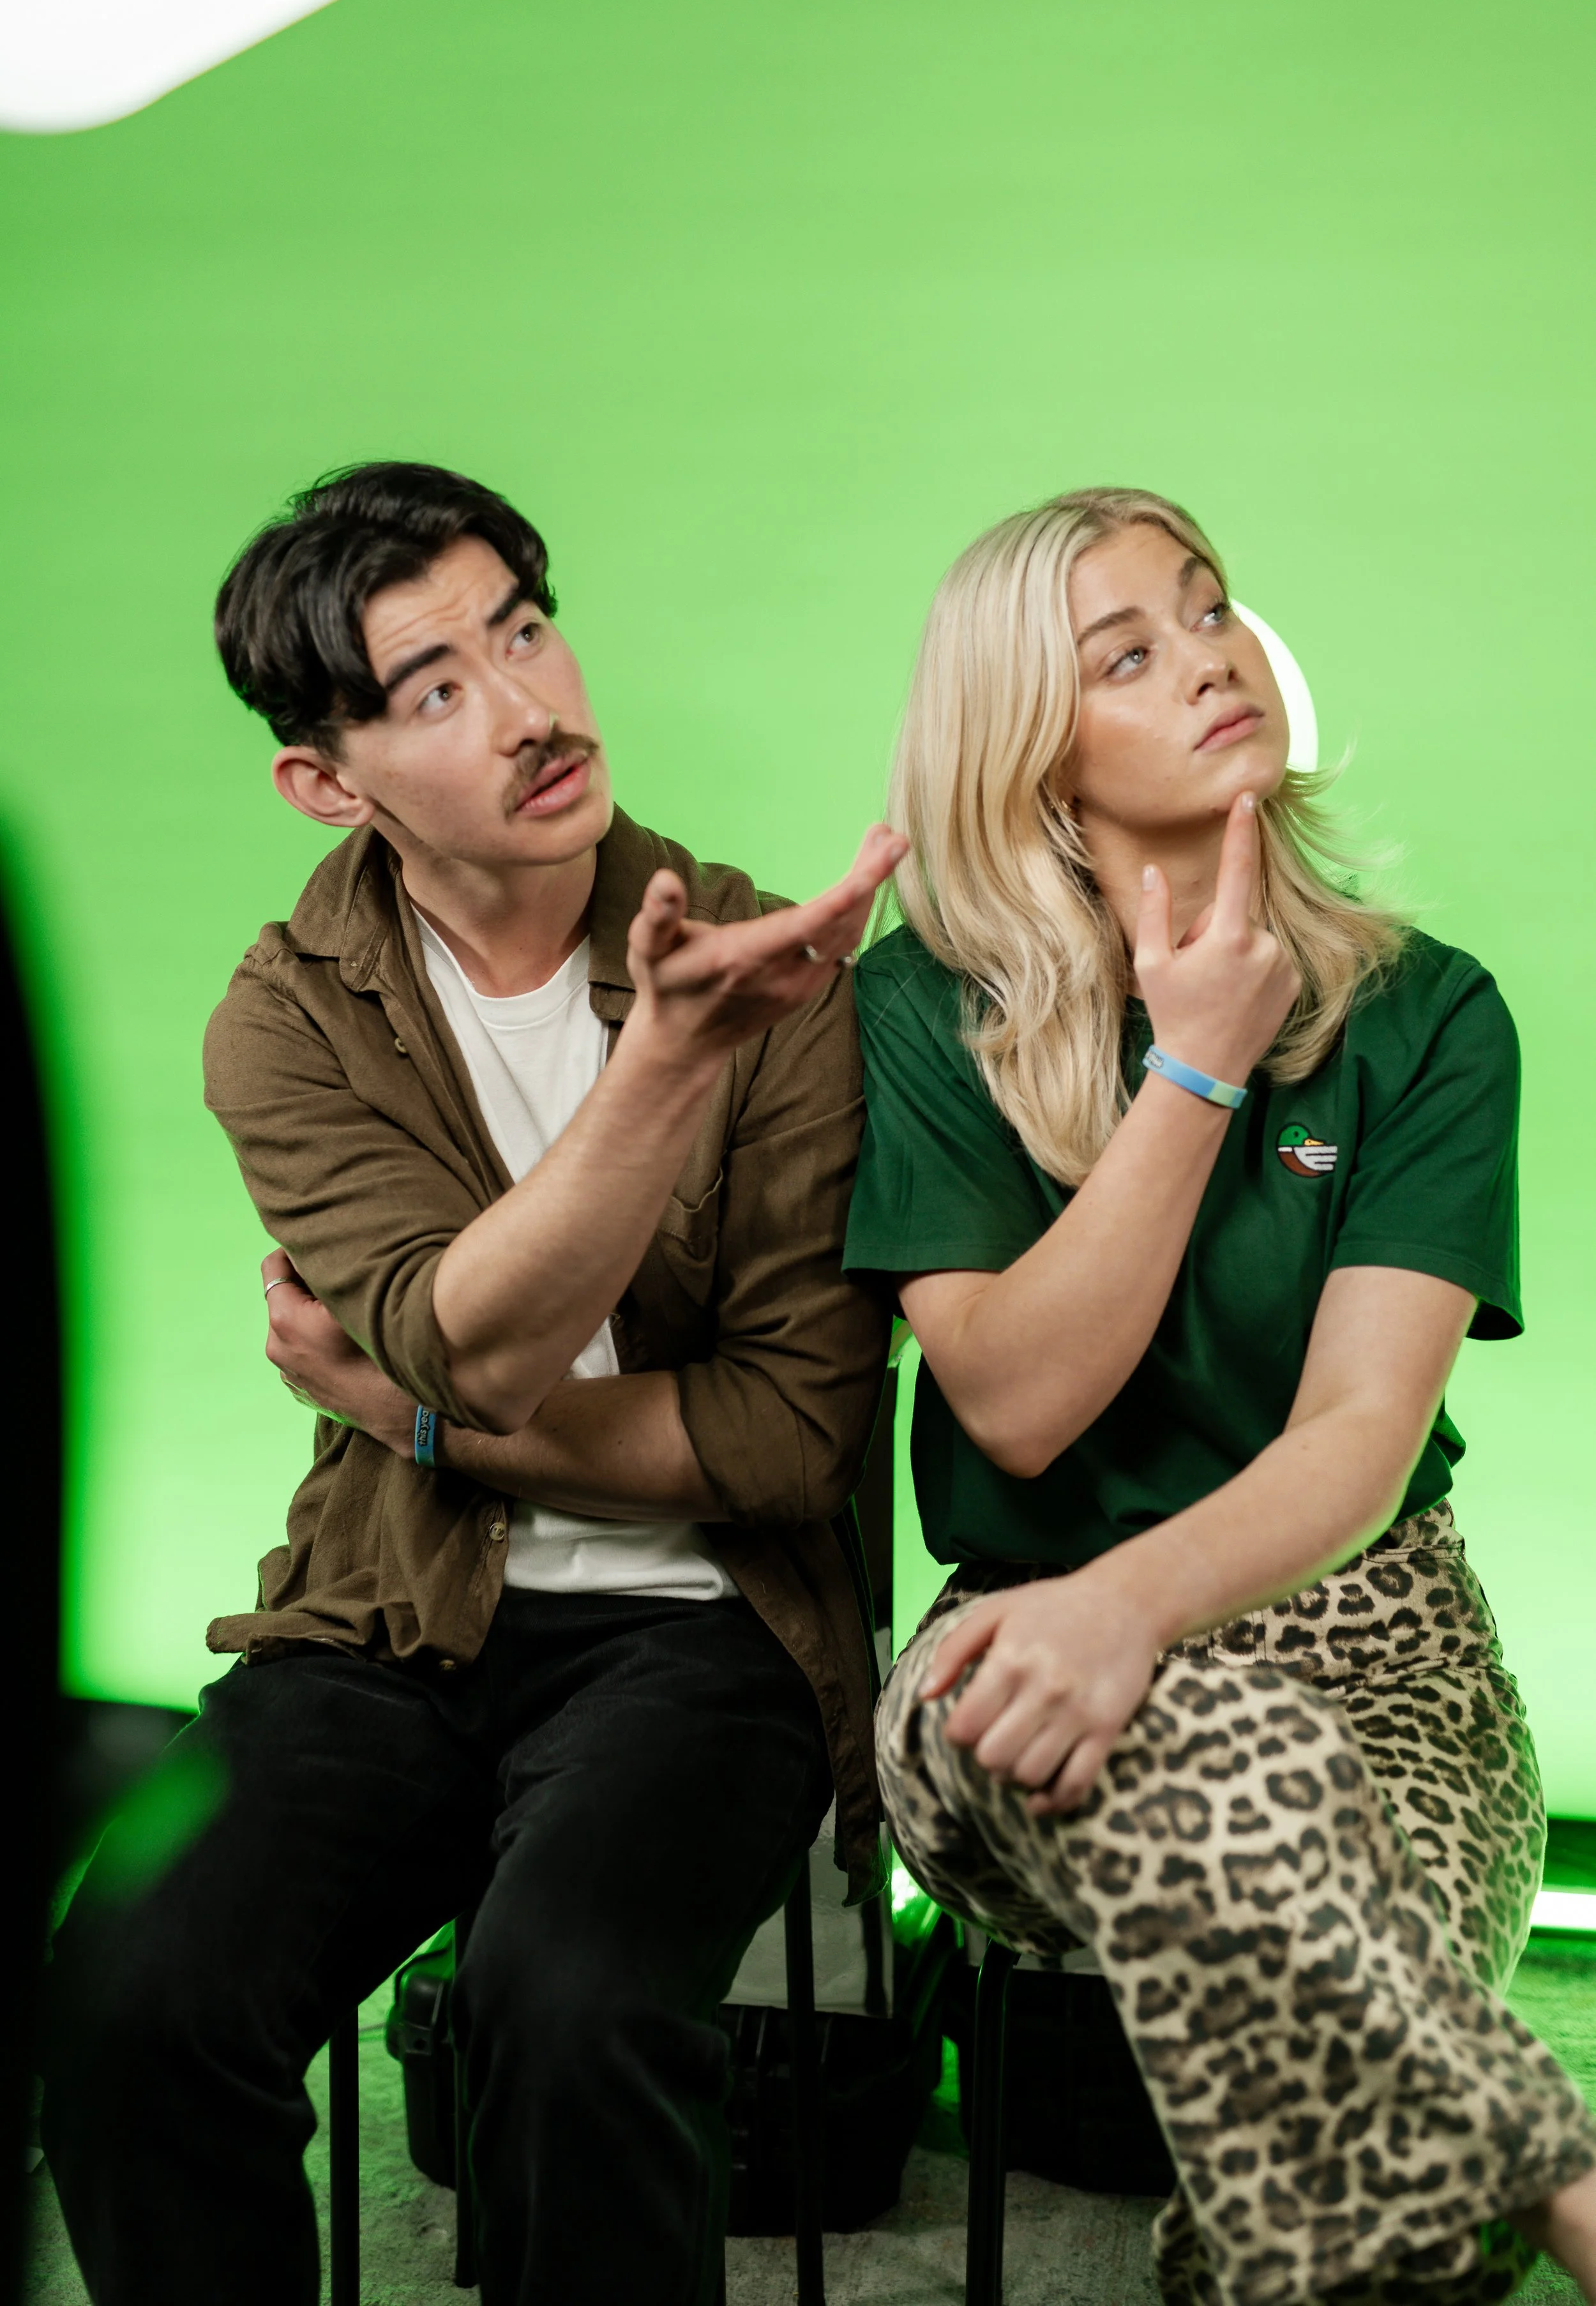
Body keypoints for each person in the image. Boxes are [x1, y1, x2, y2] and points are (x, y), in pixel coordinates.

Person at [43, 460, 904, 2306]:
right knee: (129, 1992)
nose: (528, 706)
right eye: (433, 684)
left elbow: (785, 1437)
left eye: (522, 627)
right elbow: (476, 1331)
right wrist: (442, 1376)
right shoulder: (283, 1017)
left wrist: (402, 1408)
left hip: (709, 1636)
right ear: (325, 779)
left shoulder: (773, 976)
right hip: (388, 1615)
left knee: (569, 1998)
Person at [843, 486, 1596, 2306]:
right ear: (1032, 746)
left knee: (1338, 2148)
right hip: (1012, 1659)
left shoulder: (1429, 1015)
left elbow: (1360, 1434)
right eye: (1128, 650)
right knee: (1249, 1780)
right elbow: (1015, 1406)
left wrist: (1139, 1601)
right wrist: (1194, 1064)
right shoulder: (916, 1008)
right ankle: (1570, 2192)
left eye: (1210, 609)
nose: (1212, 659)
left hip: (1379, 1651)